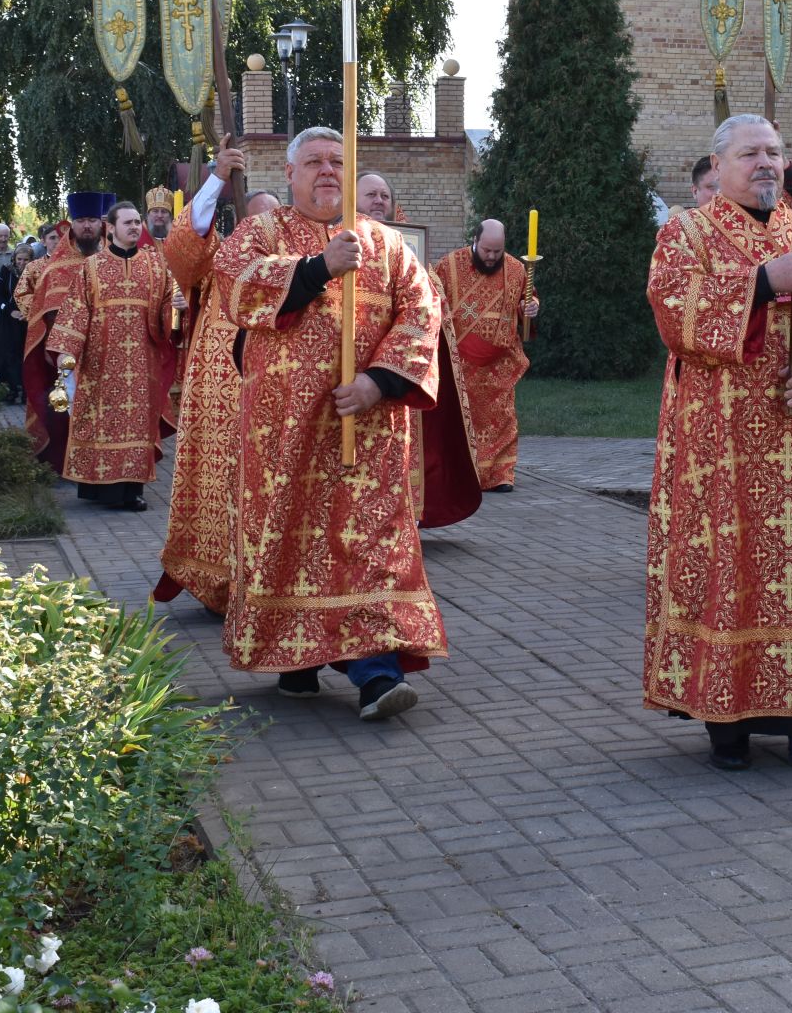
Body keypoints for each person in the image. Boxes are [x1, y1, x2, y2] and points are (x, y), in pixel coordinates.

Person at [644, 114, 792, 772]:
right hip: (717, 449)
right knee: (731, 574)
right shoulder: (685, 233)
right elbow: (673, 312)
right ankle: (728, 727)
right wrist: (761, 283)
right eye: (751, 152)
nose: (766, 163)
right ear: (718, 166)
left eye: (775, 152)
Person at [213, 126, 448, 721]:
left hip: (365, 434)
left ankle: (376, 675)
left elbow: (424, 313)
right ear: (290, 174)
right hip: (284, 432)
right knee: (293, 541)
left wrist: (378, 382)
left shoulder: (389, 246)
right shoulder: (261, 231)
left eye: (337, 162)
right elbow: (236, 289)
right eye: (314, 161)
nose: (326, 171)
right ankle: (297, 663)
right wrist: (318, 267)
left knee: (368, 544)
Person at [155, 150, 277, 612]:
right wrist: (217, 179)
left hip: (278, 392)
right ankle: (222, 583)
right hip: (221, 391)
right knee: (222, 483)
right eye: (257, 219)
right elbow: (182, 248)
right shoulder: (220, 255)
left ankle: (274, 585)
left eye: (274, 219)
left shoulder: (303, 262)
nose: (267, 228)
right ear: (243, 222)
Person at [49, 201, 180, 512]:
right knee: (100, 424)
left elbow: (167, 315)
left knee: (136, 425)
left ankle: (131, 492)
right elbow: (77, 310)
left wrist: (176, 309)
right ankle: (98, 490)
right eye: (128, 222)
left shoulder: (155, 266)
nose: (135, 227)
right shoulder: (91, 267)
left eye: (137, 222)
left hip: (141, 363)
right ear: (111, 228)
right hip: (100, 362)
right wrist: (66, 351)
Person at [430, 220, 539, 492]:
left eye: (497, 251)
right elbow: (431, 302)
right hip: (460, 362)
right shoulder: (448, 266)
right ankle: (461, 476)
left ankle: (500, 475)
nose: (491, 257)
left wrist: (531, 309)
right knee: (459, 420)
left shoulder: (516, 269)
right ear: (475, 241)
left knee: (501, 417)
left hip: (500, 362)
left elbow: (528, 304)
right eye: (487, 250)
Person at [16, 212, 94, 474]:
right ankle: (60, 460)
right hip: (60, 349)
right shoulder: (43, 268)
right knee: (62, 405)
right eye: (52, 237)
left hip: (100, 348)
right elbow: (27, 296)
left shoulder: (102, 261)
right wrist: (36, 319)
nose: (56, 241)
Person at [0, 242, 33, 403]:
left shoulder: (34, 273)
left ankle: (26, 391)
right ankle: (12, 389)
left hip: (26, 319)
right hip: (8, 320)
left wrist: (28, 311)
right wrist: (9, 310)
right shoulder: (6, 271)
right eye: (19, 259)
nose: (22, 263)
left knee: (25, 355)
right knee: (9, 355)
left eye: (26, 260)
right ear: (14, 259)